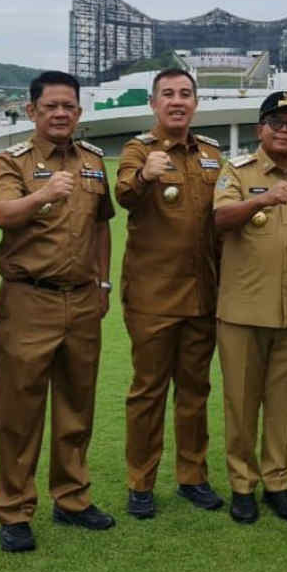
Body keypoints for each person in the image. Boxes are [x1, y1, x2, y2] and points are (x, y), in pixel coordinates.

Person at [0, 71, 117, 554]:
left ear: (79, 112)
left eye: (69, 106)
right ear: (32, 112)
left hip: (82, 299)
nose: (60, 113)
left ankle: (73, 498)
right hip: (28, 298)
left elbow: (102, 227)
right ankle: (15, 509)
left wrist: (103, 283)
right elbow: (2, 214)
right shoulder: (12, 160)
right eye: (51, 107)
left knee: (76, 405)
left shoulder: (93, 161)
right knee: (19, 410)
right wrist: (43, 194)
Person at [116, 68, 225, 519]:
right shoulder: (139, 149)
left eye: (185, 94)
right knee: (148, 391)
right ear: (154, 103)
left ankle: (192, 476)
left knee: (195, 389)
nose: (177, 101)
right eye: (168, 94)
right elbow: (123, 194)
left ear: (195, 103)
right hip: (153, 295)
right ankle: (141, 482)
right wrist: (144, 175)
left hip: (203, 292)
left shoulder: (213, 154)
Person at [213, 90, 287, 523]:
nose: (284, 131)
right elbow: (219, 219)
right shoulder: (236, 171)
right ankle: (242, 486)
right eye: (275, 123)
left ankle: (278, 483)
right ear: (260, 129)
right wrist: (261, 199)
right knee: (241, 405)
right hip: (242, 311)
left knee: (284, 405)